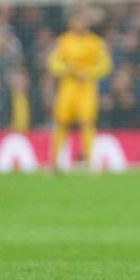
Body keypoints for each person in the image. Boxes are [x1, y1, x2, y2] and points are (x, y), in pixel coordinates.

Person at [47, 9, 112, 168]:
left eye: (83, 21)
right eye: (77, 21)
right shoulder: (63, 41)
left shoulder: (96, 42)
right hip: (68, 86)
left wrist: (90, 73)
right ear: (71, 23)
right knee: (61, 122)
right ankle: (53, 163)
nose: (80, 24)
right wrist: (65, 69)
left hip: (87, 87)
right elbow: (52, 63)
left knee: (87, 122)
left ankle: (90, 162)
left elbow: (106, 65)